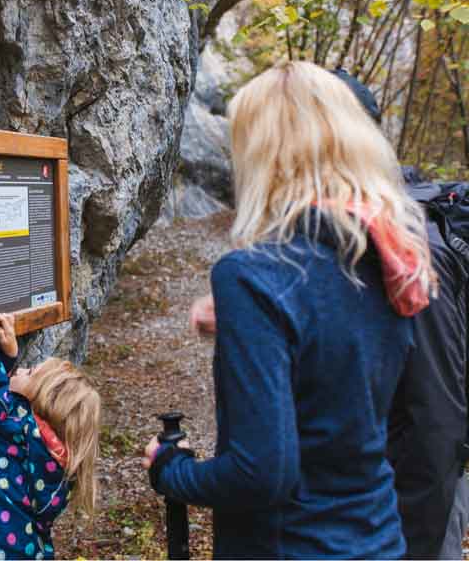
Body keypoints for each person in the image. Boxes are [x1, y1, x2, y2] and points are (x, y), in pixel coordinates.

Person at [142, 61, 436, 559]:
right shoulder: (396, 260)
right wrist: (249, 329)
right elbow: (351, 377)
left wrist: (171, 470)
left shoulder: (252, 277)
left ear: (264, 157)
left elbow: (262, 473)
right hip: (379, 538)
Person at [0, 219, 100, 560]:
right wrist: (13, 357)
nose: (27, 367)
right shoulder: (56, 454)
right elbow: (4, 393)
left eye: (32, 371)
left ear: (41, 401)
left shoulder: (11, 421)